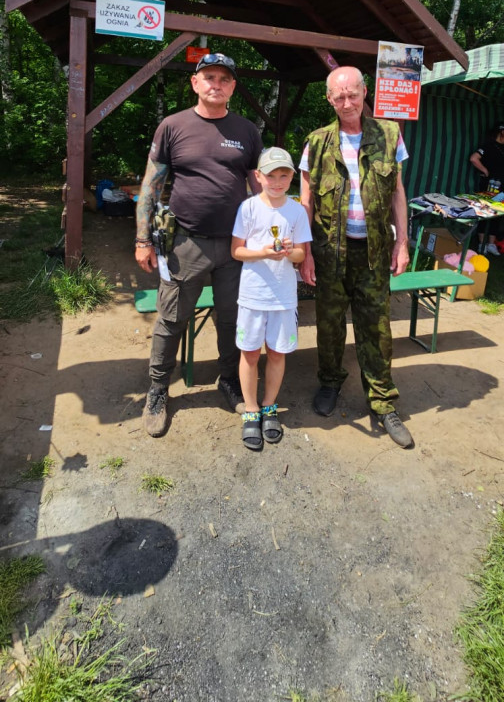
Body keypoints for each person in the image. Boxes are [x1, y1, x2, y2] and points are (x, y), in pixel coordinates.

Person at [135, 53, 263, 437]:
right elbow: (151, 185)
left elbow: (258, 187)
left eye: (224, 79)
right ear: (195, 83)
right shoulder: (172, 126)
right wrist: (142, 239)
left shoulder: (247, 131)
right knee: (172, 318)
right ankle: (158, 389)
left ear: (233, 87)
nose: (216, 84)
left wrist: (269, 233)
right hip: (185, 243)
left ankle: (230, 380)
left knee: (232, 318)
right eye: (209, 77)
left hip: (236, 246)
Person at [299, 66, 414, 449]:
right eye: (339, 96)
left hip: (374, 252)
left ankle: (382, 401)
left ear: (365, 92)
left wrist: (402, 243)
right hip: (330, 252)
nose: (347, 102)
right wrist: (305, 253)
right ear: (329, 99)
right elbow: (306, 202)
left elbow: (397, 192)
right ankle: (330, 382)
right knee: (330, 325)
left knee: (376, 327)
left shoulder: (390, 134)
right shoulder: (317, 142)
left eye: (353, 94)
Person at [231, 147, 312, 450]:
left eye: (284, 176)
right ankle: (251, 409)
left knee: (277, 354)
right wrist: (263, 253)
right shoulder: (248, 208)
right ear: (258, 176)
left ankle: (269, 406)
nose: (277, 182)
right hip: (253, 295)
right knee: (250, 353)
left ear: (292, 177)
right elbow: (236, 251)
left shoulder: (297, 211)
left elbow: (301, 254)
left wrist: (289, 252)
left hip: (283, 297)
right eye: (271, 176)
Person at [469, 122, 504, 255]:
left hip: (502, 186)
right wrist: (485, 170)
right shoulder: (488, 146)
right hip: (489, 185)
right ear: (502, 132)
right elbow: (474, 158)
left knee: (498, 213)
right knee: (484, 211)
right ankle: (481, 244)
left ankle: (491, 244)